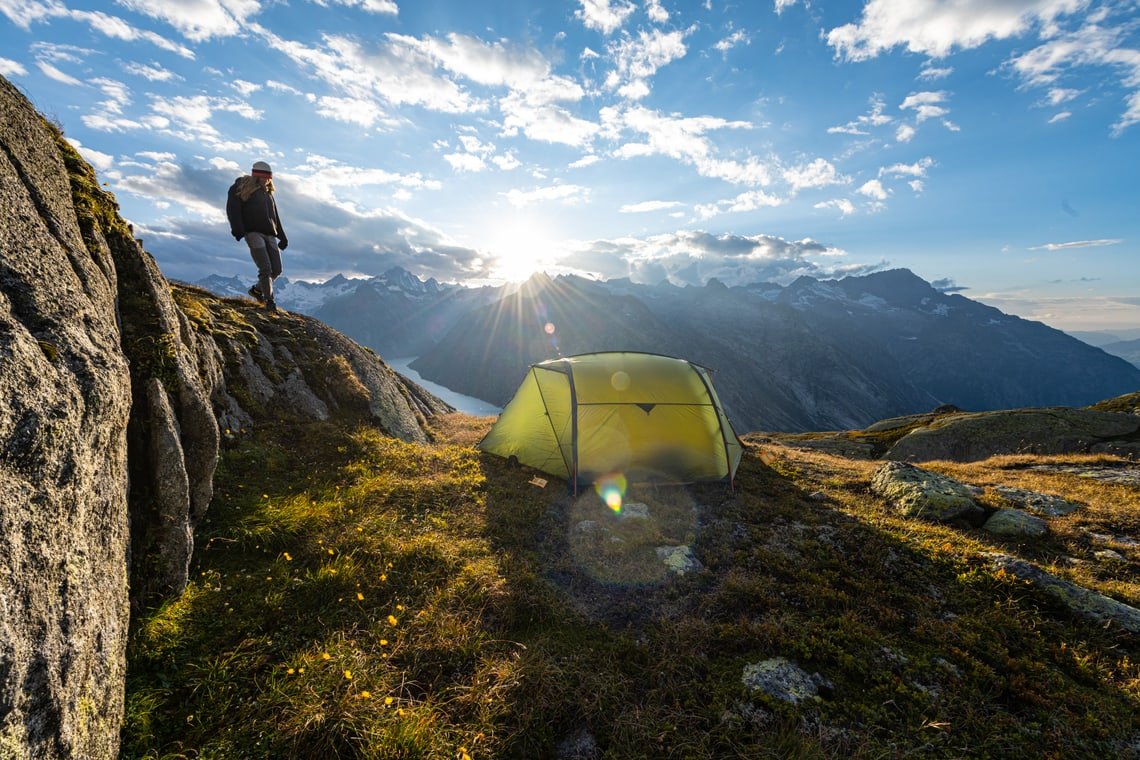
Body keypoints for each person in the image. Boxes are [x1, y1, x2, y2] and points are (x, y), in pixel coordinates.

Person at [227, 160, 288, 312]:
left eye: (269, 178)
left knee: (277, 269)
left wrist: (282, 236)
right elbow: (233, 209)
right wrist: (238, 229)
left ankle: (257, 290)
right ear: (256, 176)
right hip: (253, 232)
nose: (267, 180)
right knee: (265, 268)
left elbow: (275, 217)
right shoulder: (241, 187)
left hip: (270, 234)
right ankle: (269, 301)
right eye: (264, 177)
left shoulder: (268, 194)